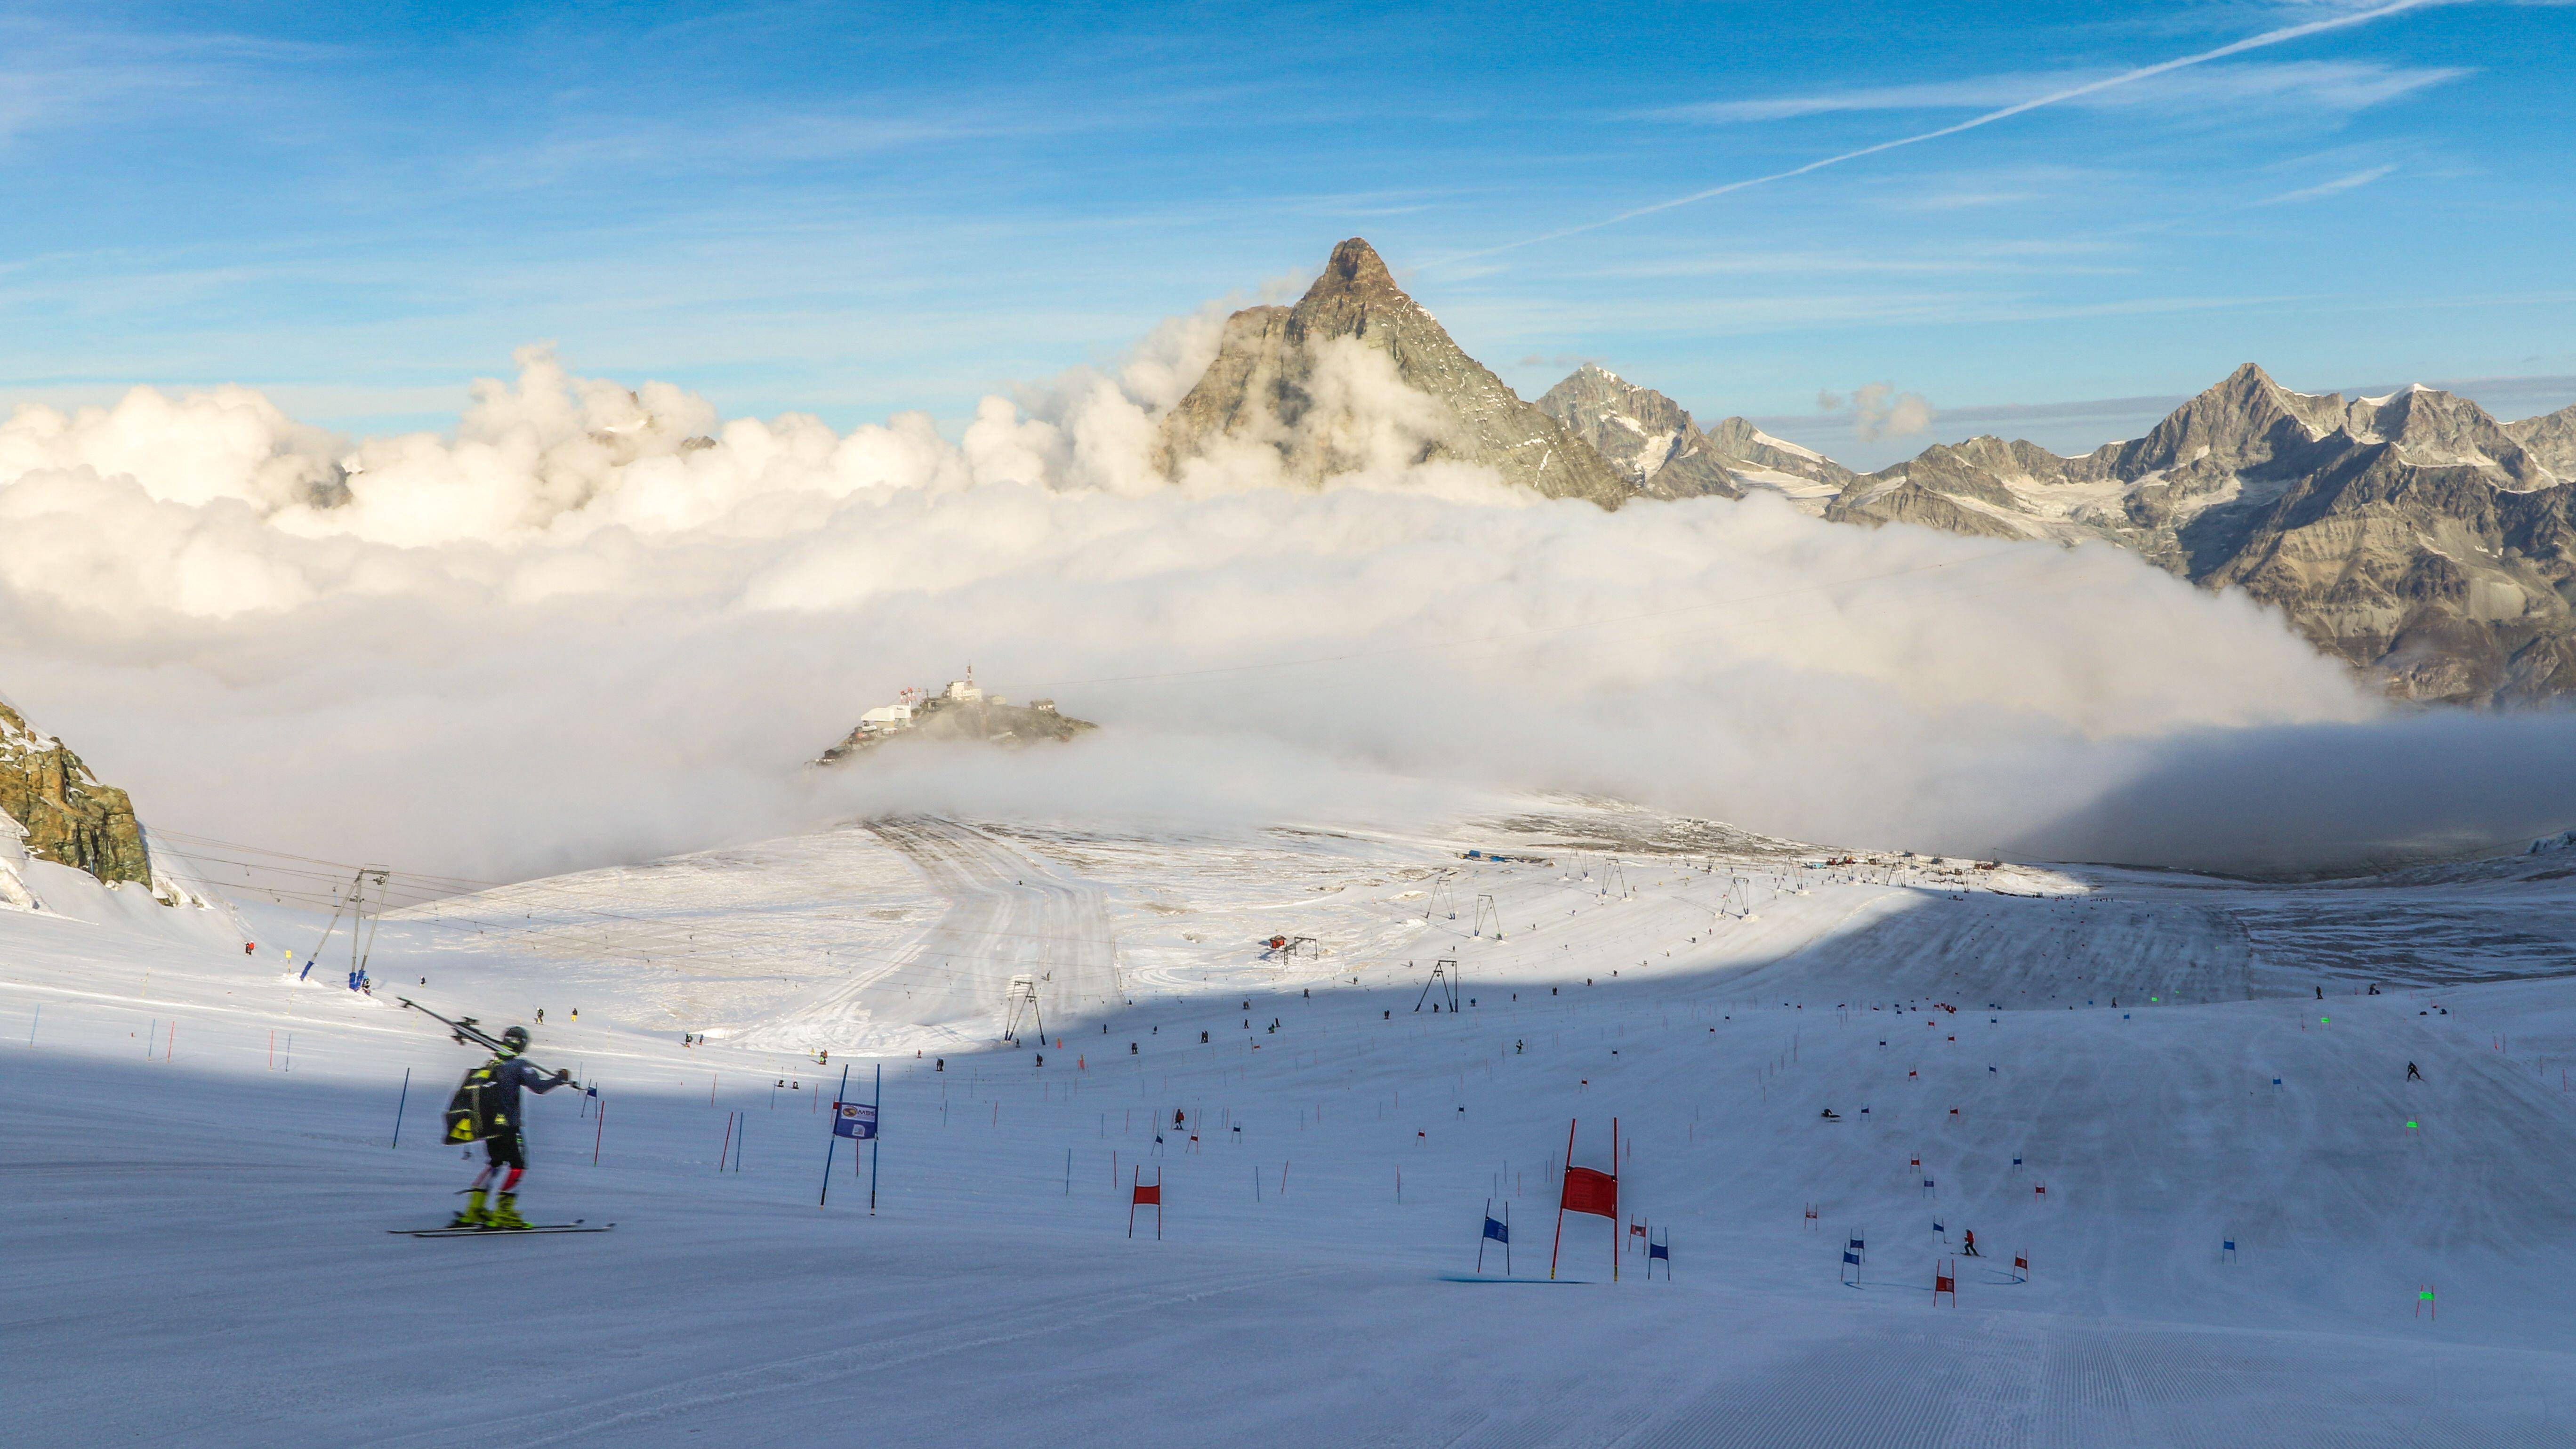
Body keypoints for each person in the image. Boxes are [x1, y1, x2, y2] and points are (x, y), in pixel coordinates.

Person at [450, 1026, 575, 1230]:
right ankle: (503, 1213)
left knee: (496, 1163)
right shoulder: (519, 1066)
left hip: (489, 1126)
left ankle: (474, 1211)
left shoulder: (494, 1063)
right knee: (518, 1167)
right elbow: (539, 1088)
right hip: (508, 1126)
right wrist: (559, 1078)